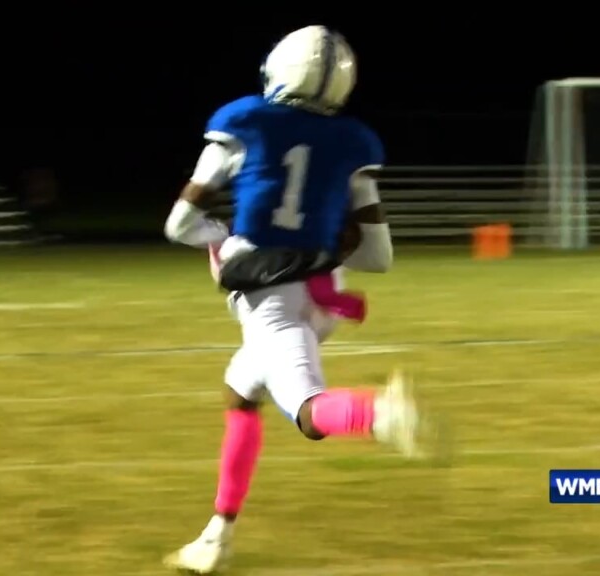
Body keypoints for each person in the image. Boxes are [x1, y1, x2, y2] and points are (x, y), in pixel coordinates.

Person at [162, 25, 427, 574]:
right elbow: (377, 258)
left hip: (272, 298)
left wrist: (222, 236)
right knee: (241, 393)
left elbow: (179, 225)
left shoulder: (245, 122)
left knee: (309, 413)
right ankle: (218, 534)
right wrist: (324, 244)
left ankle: (379, 415)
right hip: (325, 293)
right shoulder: (353, 142)